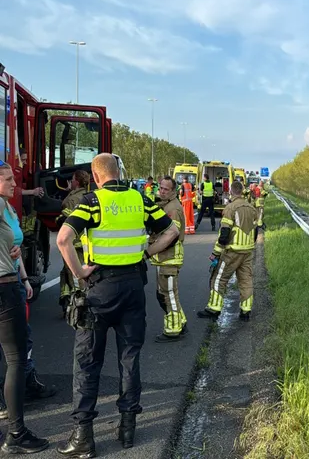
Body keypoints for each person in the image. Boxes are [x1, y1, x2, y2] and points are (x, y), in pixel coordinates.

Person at [56, 154, 178, 456]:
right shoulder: (140, 199)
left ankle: (83, 436)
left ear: (96, 177)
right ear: (118, 172)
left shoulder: (92, 201)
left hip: (100, 289)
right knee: (129, 357)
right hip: (133, 286)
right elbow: (172, 231)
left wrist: (80, 273)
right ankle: (127, 429)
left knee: (87, 362)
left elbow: (63, 239)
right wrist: (147, 254)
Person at [0, 161, 49, 453]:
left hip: (12, 280)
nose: (13, 183)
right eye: (6, 179)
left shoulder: (9, 209)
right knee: (16, 359)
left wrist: (23, 274)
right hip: (4, 290)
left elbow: (12, 246)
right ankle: (16, 433)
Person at [197, 181, 256, 322]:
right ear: (242, 191)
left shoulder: (230, 208)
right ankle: (245, 311)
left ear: (231, 191)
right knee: (246, 280)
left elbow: (224, 233)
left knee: (219, 278)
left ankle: (214, 309)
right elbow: (255, 229)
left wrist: (216, 253)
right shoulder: (251, 208)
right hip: (247, 251)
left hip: (232, 250)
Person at [150, 176, 188, 342]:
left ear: (173, 191)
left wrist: (150, 250)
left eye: (166, 189)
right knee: (164, 294)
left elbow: (171, 236)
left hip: (169, 258)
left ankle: (173, 330)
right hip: (164, 258)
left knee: (168, 295)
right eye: (161, 188)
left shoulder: (173, 209)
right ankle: (180, 321)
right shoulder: (165, 205)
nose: (162, 191)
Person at [57, 170, 90, 316]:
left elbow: (65, 219)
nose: (70, 181)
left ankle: (79, 304)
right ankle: (71, 301)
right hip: (84, 242)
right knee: (76, 271)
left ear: (76, 181)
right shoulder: (88, 196)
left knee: (74, 274)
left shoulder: (73, 199)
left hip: (74, 242)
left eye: (72, 179)